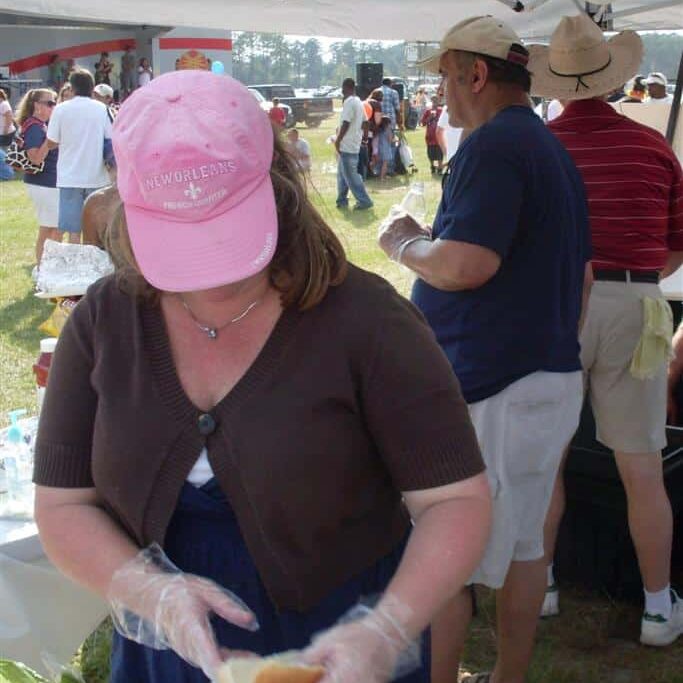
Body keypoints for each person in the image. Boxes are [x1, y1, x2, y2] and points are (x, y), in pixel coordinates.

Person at [33, 70, 492, 683]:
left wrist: (387, 628)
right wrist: (149, 593)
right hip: (164, 655)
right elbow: (63, 504)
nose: (210, 278)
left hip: (343, 645)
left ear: (277, 184)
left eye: (223, 230)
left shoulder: (368, 321)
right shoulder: (103, 322)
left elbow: (454, 500)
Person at [379, 16, 591, 683]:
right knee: (526, 545)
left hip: (492, 382)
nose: (440, 92)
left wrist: (401, 242)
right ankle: (508, 673)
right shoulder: (544, 146)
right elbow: (575, 275)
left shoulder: (493, 146)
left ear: (475, 73)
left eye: (444, 75)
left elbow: (468, 264)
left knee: (445, 553)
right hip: (539, 374)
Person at [530, 14, 683, 645]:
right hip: (635, 300)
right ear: (614, 79)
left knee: (546, 462)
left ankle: (539, 588)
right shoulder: (653, 148)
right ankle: (656, 608)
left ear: (558, 84)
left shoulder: (538, 147)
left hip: (554, 307)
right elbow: (674, 248)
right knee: (642, 467)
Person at [42, 69, 113, 244]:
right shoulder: (102, 108)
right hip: (97, 176)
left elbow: (51, 141)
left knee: (73, 230)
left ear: (72, 88)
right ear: (92, 88)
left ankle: (75, 265)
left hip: (69, 177)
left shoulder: (60, 109)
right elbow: (110, 138)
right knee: (96, 228)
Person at [15, 88, 62, 264]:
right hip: (44, 183)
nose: (53, 107)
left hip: (46, 183)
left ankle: (45, 266)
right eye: (50, 103)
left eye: (54, 102)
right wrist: (49, 143)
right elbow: (35, 158)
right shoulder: (34, 127)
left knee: (50, 227)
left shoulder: (38, 125)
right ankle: (45, 266)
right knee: (52, 227)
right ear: (37, 106)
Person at [335, 77, 373, 211]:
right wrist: (364, 140)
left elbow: (346, 123)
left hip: (347, 144)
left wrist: (338, 140)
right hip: (354, 144)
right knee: (342, 175)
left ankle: (364, 201)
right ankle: (341, 200)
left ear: (345, 88)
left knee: (351, 177)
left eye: (342, 89)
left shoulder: (349, 102)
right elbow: (366, 123)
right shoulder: (358, 102)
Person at [420, 95, 443, 175]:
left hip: (439, 135)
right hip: (430, 135)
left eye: (436, 100)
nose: (435, 102)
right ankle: (432, 167)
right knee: (431, 152)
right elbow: (422, 123)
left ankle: (440, 168)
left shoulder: (441, 111)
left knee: (439, 152)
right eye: (433, 101)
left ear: (439, 101)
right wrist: (430, 117)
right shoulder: (428, 111)